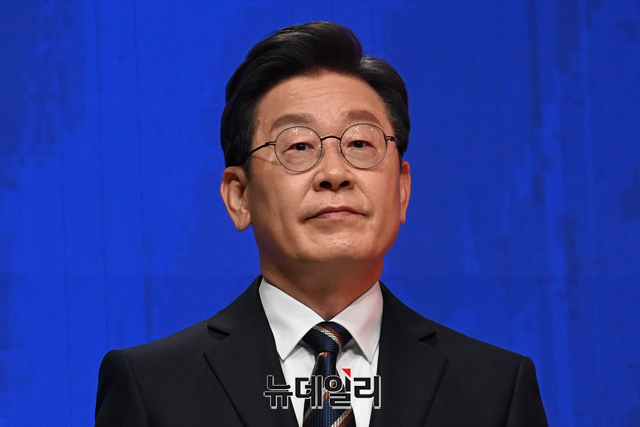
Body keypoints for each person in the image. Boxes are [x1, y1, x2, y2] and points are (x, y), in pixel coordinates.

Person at [95, 21, 548, 427]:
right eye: (298, 146)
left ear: (401, 189)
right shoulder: (153, 388)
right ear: (239, 196)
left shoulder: (495, 390)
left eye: (360, 143)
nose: (334, 172)